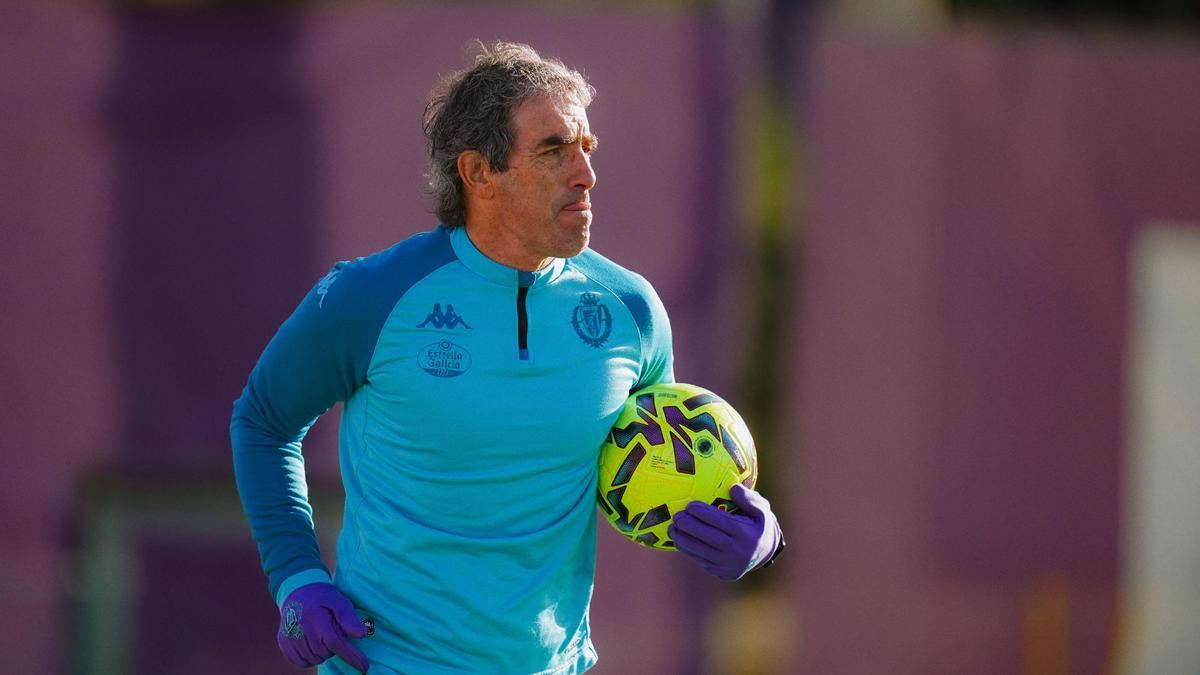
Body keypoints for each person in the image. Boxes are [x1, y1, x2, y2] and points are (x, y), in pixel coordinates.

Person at [231, 41, 784, 674]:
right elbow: (263, 422)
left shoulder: (631, 310)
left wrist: (753, 534)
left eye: (587, 148)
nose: (585, 174)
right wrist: (295, 577)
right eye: (553, 149)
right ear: (478, 173)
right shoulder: (368, 297)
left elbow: (659, 462)